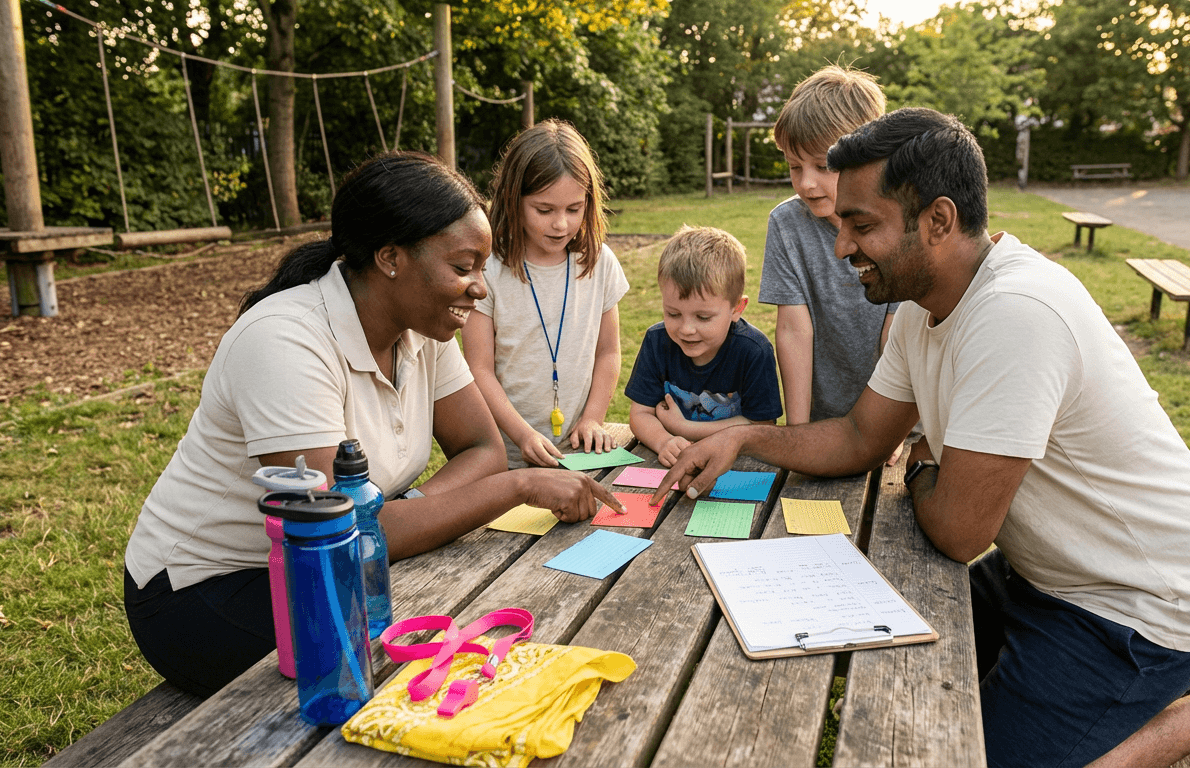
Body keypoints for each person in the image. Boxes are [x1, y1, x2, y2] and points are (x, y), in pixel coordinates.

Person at [655, 109, 1190, 768]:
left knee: (956, 754)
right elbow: (858, 436)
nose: (841, 247)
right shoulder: (920, 306)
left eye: (862, 225)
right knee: (882, 669)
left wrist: (918, 470)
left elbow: (960, 532)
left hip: (1141, 608)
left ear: (938, 221)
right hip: (1050, 576)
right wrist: (745, 439)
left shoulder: (1016, 314)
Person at [123, 151, 623, 698]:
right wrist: (519, 484)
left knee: (465, 635)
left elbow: (480, 447)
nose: (480, 289)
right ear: (390, 258)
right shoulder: (284, 340)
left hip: (336, 569)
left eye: (481, 268)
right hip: (206, 592)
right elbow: (332, 532)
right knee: (405, 673)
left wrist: (401, 512)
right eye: (463, 267)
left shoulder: (424, 330)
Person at [463, 120, 629, 469]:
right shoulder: (489, 270)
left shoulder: (599, 262)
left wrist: (592, 419)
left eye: (574, 209)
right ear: (514, 198)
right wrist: (523, 436)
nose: (561, 225)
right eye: (544, 210)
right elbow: (479, 368)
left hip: (578, 452)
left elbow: (608, 352)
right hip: (505, 457)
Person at [761, 65, 898, 426]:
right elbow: (793, 330)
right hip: (823, 423)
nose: (806, 184)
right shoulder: (786, 224)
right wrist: (799, 432)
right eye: (794, 166)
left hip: (902, 420)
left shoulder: (900, 221)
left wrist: (888, 426)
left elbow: (897, 332)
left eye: (823, 166)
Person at [625, 226, 782, 467]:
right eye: (673, 313)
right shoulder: (657, 342)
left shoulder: (754, 351)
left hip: (738, 465)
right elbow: (640, 414)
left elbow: (762, 427)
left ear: (737, 308)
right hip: (673, 465)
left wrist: (683, 428)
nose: (686, 329)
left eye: (703, 317)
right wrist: (664, 441)